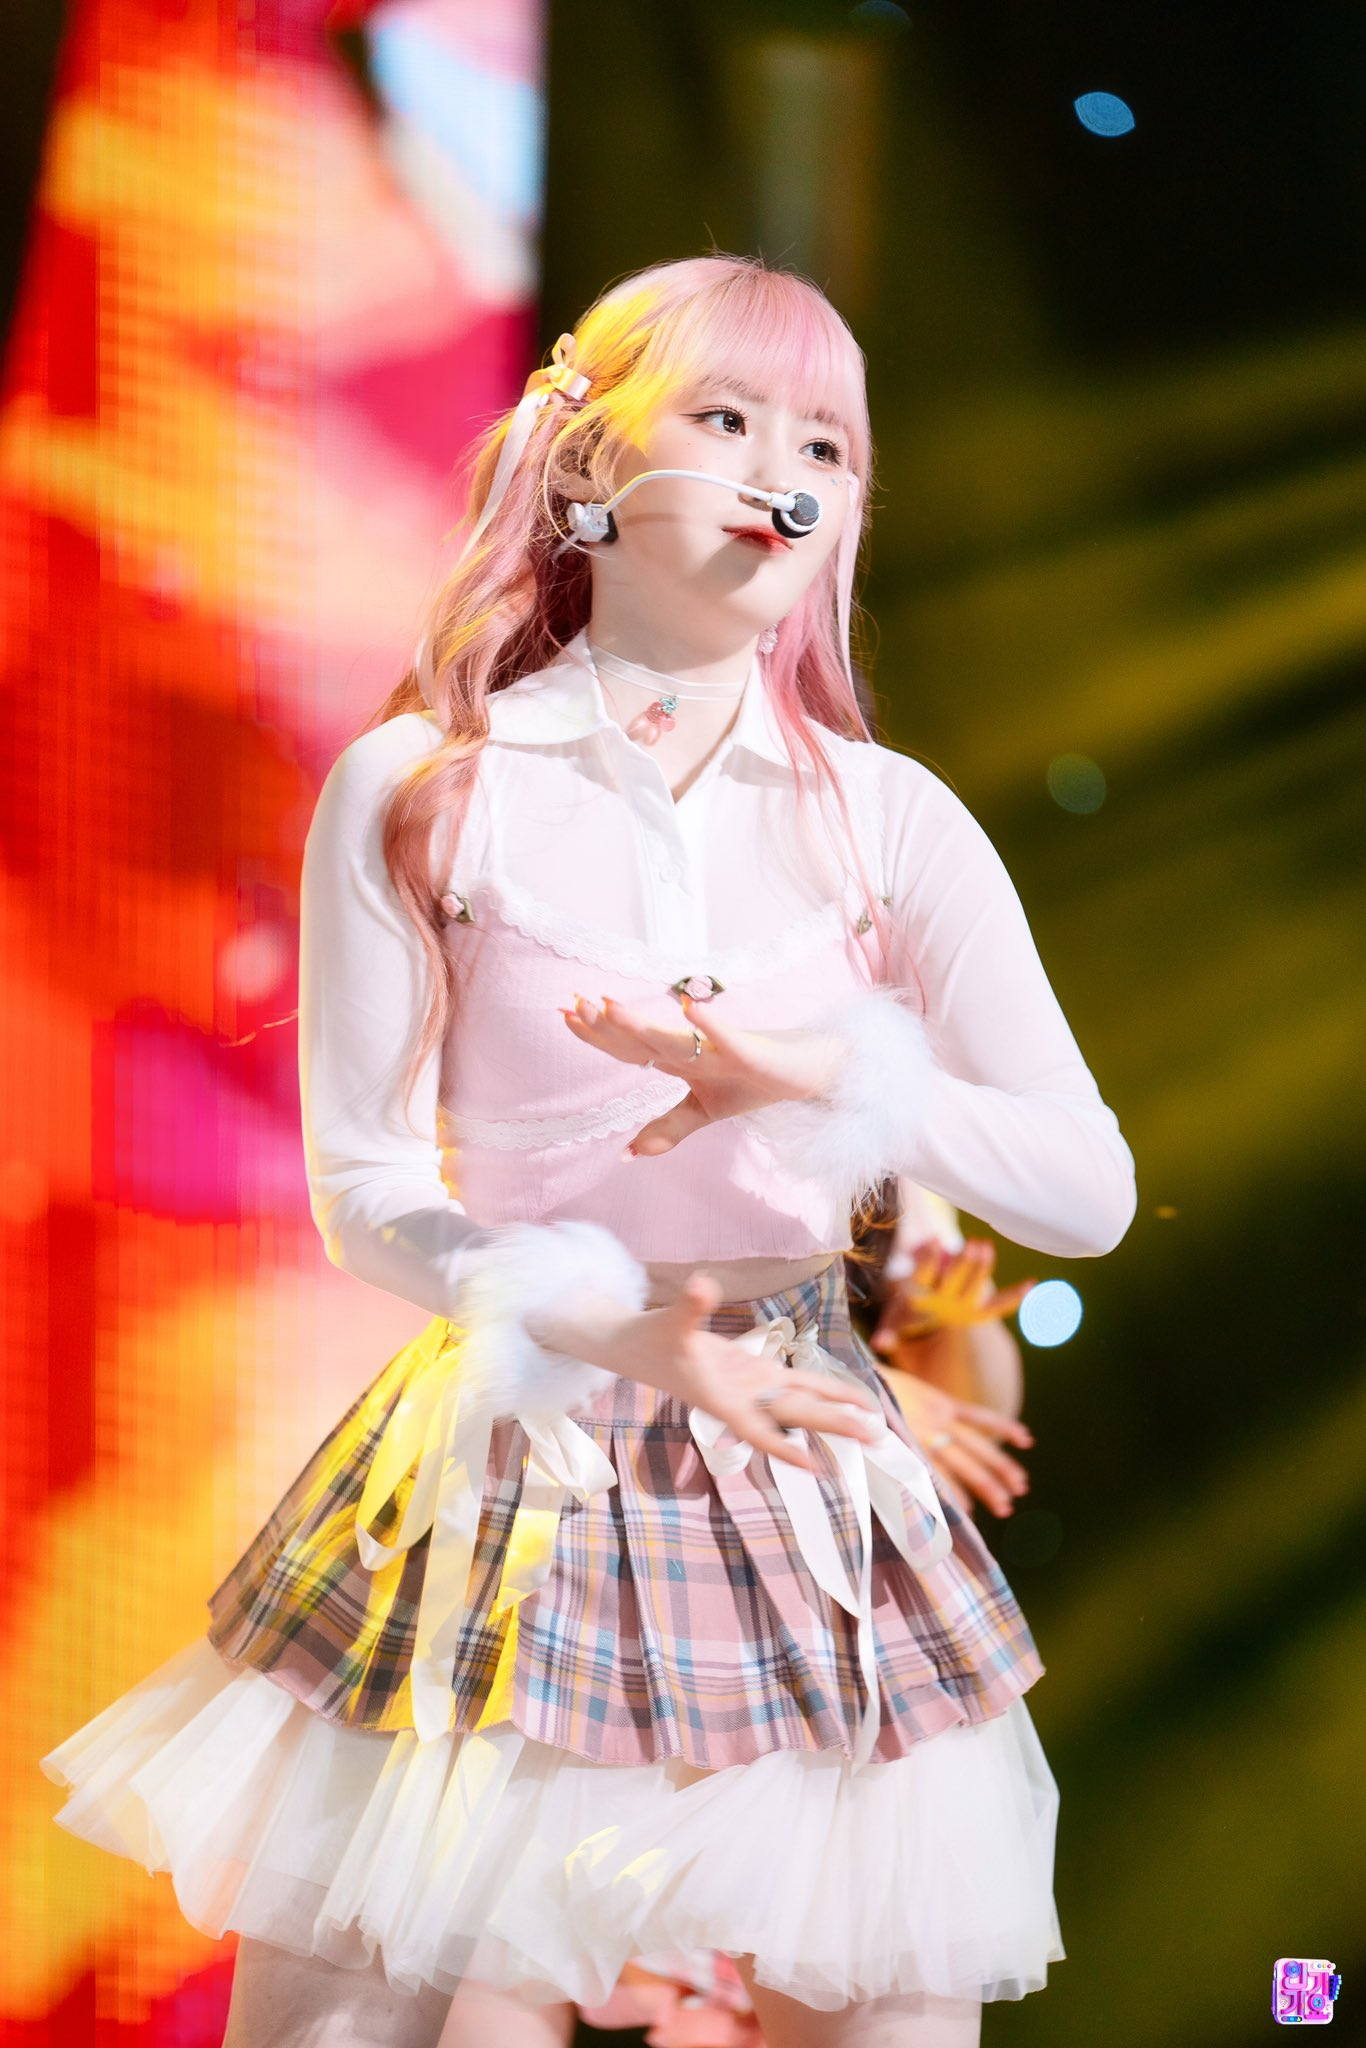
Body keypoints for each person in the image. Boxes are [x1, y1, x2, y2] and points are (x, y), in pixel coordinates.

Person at [40, 253, 1137, 2048]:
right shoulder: (425, 784)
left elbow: (1082, 1189)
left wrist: (813, 1074)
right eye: (729, 417)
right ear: (584, 467)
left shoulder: (892, 823)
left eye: (827, 444)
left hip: (804, 1465)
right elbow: (366, 1190)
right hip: (517, 1451)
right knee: (359, 2007)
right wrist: (613, 1326)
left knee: (886, 2005)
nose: (785, 476)